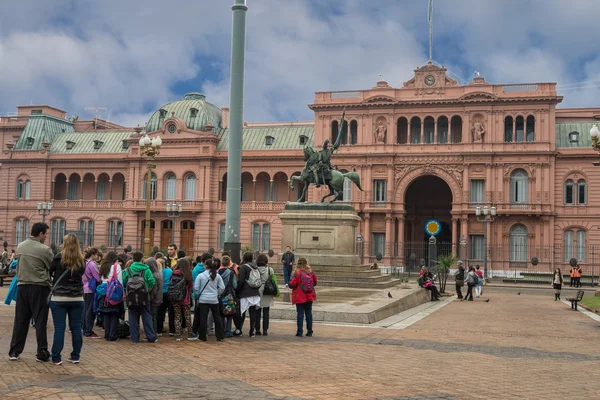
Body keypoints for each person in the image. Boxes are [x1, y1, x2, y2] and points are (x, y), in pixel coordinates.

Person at [9, 222, 53, 362]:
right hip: (40, 286)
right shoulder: (45, 250)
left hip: (22, 286)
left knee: (21, 319)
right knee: (40, 320)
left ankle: (14, 351)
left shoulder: (20, 246)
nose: (46, 236)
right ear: (40, 234)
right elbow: (50, 266)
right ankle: (41, 352)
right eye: (45, 234)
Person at [48, 233, 85, 365]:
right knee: (76, 328)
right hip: (77, 297)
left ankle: (56, 357)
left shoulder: (58, 258)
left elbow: (50, 271)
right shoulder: (81, 261)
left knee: (59, 328)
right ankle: (75, 356)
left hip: (59, 297)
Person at [122, 251, 157, 343]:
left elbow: (124, 281)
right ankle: (151, 337)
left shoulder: (128, 270)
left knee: (132, 317)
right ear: (142, 259)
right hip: (144, 297)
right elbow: (152, 282)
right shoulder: (146, 269)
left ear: (133, 259)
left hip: (131, 297)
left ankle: (134, 338)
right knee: (146, 316)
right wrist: (147, 290)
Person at [193, 258, 225, 342]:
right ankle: (220, 336)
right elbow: (222, 287)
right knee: (217, 318)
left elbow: (196, 287)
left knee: (203, 318)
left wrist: (199, 293)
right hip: (214, 299)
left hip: (203, 299)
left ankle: (202, 336)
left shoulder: (201, 275)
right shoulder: (217, 275)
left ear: (206, 266)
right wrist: (217, 294)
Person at [97, 252, 123, 341]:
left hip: (103, 291)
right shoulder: (116, 266)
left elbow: (101, 279)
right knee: (114, 314)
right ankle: (113, 335)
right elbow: (119, 281)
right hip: (113, 291)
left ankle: (107, 334)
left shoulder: (103, 266)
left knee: (106, 314)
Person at [289, 257, 317, 337]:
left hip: (299, 296)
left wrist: (290, 284)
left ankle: (299, 332)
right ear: (306, 263)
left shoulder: (297, 272)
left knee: (300, 313)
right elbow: (315, 282)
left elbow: (293, 284)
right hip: (309, 296)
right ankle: (309, 331)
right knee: (309, 313)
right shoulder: (310, 272)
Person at [237, 252, 261, 337]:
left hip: (245, 293)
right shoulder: (255, 267)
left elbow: (241, 281)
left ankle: (239, 329)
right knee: (253, 313)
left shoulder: (243, 267)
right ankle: (252, 331)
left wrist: (238, 291)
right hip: (255, 292)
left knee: (242, 312)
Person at [172, 257, 193, 341]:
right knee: (187, 315)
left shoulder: (174, 273)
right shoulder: (188, 274)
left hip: (175, 297)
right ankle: (190, 333)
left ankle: (178, 334)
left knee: (177, 316)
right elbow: (191, 287)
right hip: (185, 298)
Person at [256, 253, 278, 336]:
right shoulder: (270, 270)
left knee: (257, 311)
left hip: (257, 291)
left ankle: (257, 329)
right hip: (267, 291)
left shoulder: (255, 269)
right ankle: (265, 329)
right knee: (266, 312)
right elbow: (273, 280)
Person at [82, 248, 101, 339]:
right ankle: (88, 331)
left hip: (85, 288)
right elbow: (97, 277)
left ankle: (85, 328)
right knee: (90, 310)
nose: (97, 257)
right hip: (91, 289)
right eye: (96, 255)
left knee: (85, 309)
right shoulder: (92, 264)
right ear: (93, 254)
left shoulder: (84, 263)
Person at [218, 255, 238, 338]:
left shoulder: (218, 272)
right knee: (230, 313)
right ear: (229, 262)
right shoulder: (231, 273)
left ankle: (221, 329)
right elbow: (235, 285)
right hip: (229, 294)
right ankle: (228, 331)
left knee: (221, 313)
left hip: (220, 294)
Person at [146, 258, 164, 337]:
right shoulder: (159, 273)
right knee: (154, 317)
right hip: (158, 298)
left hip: (153, 299)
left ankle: (152, 334)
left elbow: (153, 290)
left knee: (152, 317)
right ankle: (153, 333)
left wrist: (150, 298)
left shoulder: (153, 275)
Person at [155, 257, 171, 335]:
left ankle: (159, 330)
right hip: (169, 293)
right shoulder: (170, 271)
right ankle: (172, 330)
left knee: (160, 313)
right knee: (171, 313)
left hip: (161, 293)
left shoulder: (157, 272)